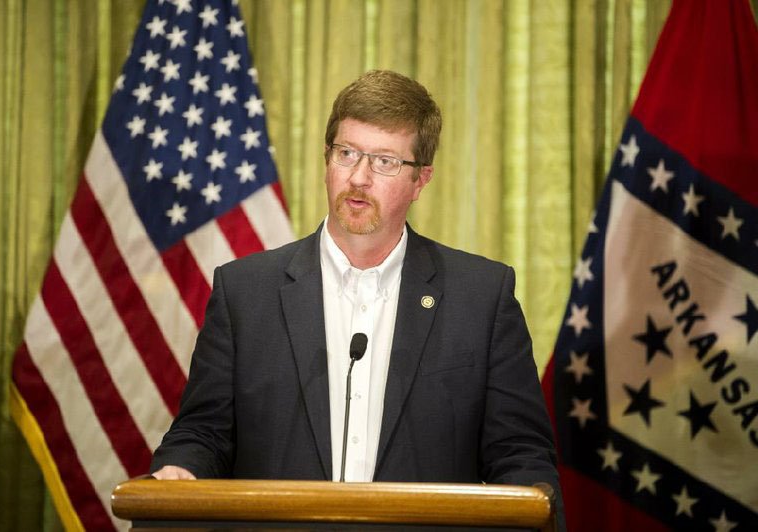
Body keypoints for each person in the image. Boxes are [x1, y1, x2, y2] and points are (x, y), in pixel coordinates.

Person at [150, 70, 563, 526]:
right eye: (347, 153)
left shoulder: (481, 298)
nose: (359, 177)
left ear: (421, 179)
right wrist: (181, 470)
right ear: (327, 160)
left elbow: (520, 456)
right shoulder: (245, 292)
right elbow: (203, 432)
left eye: (385, 161)